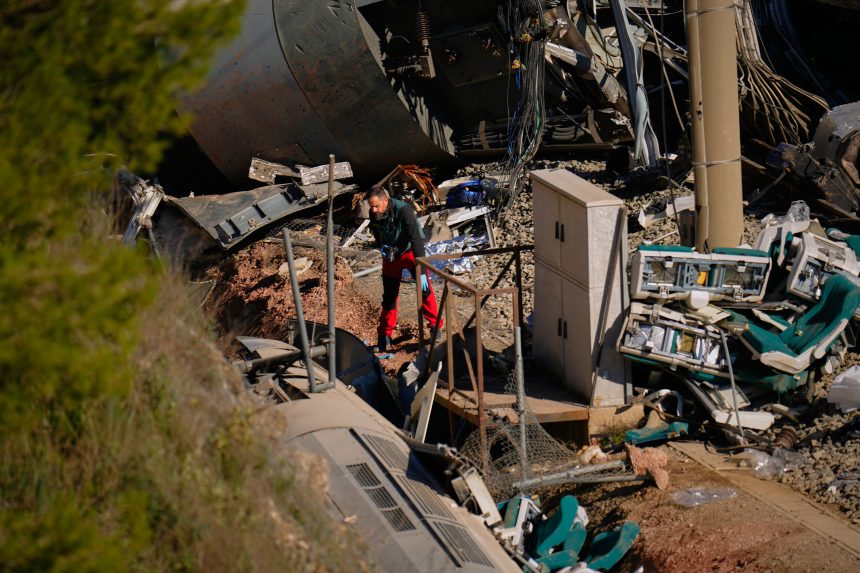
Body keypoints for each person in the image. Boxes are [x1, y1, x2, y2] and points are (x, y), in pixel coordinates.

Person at [366, 185, 442, 352]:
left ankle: (435, 325)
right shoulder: (374, 213)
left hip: (411, 252)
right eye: (371, 206)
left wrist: (421, 265)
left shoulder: (405, 211)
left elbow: (416, 239)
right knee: (389, 296)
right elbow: (378, 235)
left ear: (385, 201)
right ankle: (384, 334)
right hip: (391, 256)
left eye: (376, 205)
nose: (373, 209)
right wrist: (384, 249)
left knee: (424, 287)